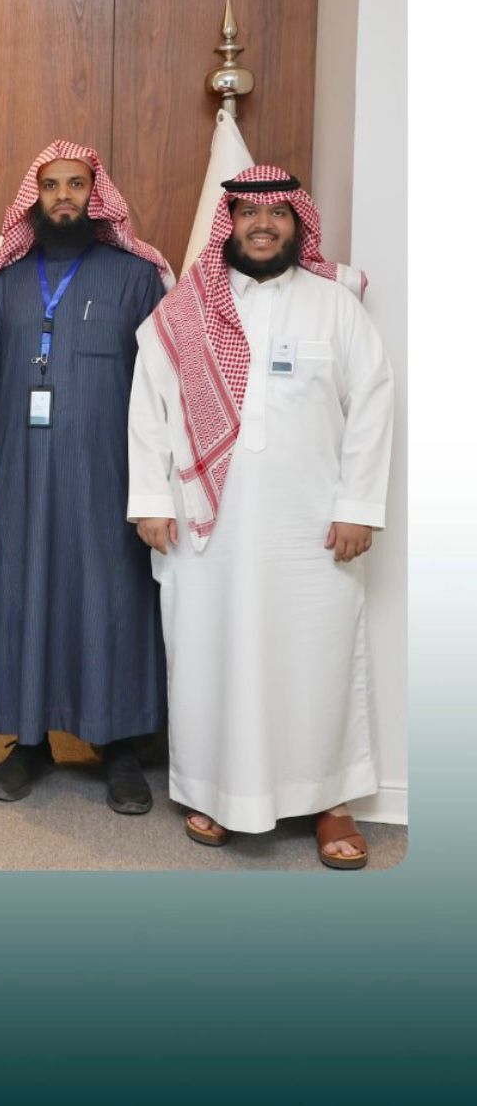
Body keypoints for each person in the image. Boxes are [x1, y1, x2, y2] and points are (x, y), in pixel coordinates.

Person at [127, 165, 393, 869]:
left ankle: (330, 798)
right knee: (209, 654)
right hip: (206, 529)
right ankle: (216, 791)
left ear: (297, 223)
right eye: (248, 213)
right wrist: (150, 499)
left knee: (319, 657)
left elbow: (372, 404)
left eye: (277, 213)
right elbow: (148, 408)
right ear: (231, 223)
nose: (263, 225)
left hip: (312, 529)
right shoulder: (184, 310)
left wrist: (358, 506)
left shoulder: (335, 306)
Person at [0, 141, 175, 813]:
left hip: (109, 476)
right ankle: (29, 742)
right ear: (35, 196)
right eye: (50, 185)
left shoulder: (134, 278)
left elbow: (161, 386)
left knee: (111, 599)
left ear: (94, 193)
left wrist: (157, 484)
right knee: (23, 594)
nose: (62, 196)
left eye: (75, 184)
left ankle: (121, 748)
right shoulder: (7, 283)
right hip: (19, 472)